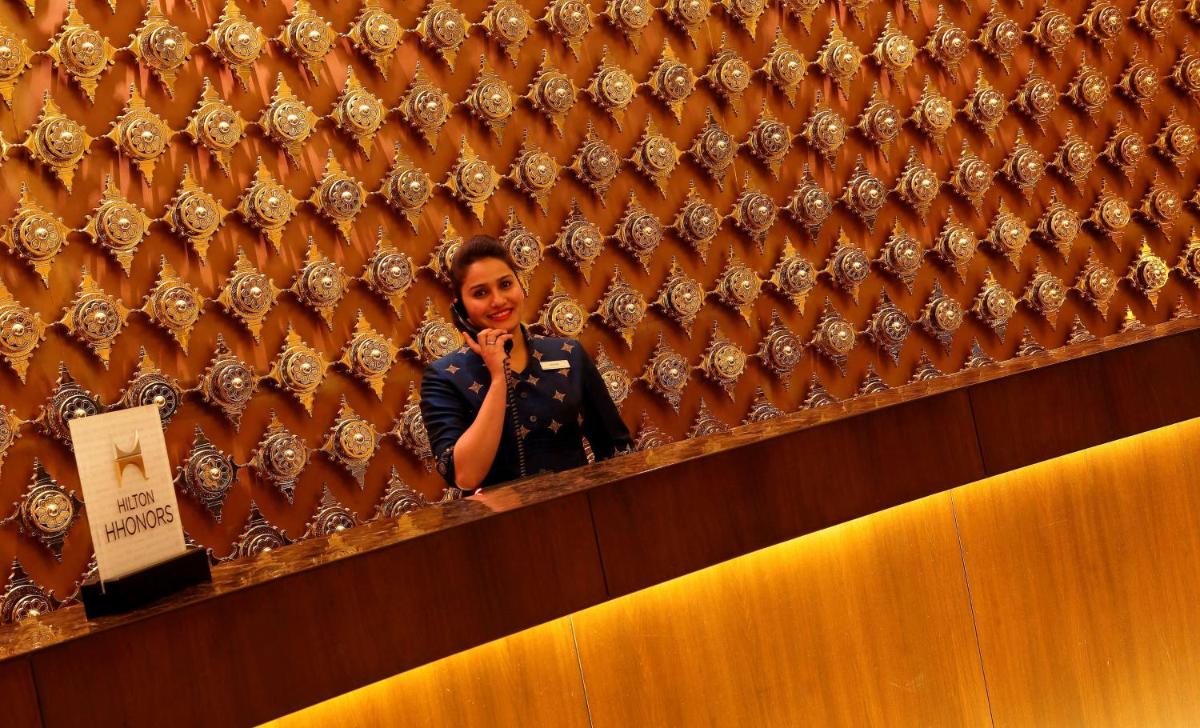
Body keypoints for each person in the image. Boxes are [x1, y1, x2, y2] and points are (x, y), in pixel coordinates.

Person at [419, 235, 633, 494]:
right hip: (499, 527)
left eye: (506, 284)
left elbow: (616, 448)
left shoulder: (568, 353)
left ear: (521, 287)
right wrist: (499, 378)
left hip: (579, 515)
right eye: (480, 293)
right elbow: (464, 476)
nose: (498, 300)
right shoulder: (443, 377)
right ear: (460, 308)